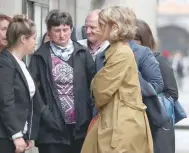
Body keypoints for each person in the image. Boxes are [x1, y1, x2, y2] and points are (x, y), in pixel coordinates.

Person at [81, 6, 153, 153]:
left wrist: (95, 82)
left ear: (114, 27)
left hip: (121, 124)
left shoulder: (121, 52)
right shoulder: (117, 49)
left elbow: (100, 90)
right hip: (118, 119)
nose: (98, 29)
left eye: (102, 25)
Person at [29, 11, 95, 153]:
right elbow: (31, 88)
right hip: (50, 128)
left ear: (71, 29)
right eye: (57, 30)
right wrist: (45, 113)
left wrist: (88, 111)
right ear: (49, 32)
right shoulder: (40, 56)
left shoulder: (83, 54)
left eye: (65, 30)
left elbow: (94, 84)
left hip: (80, 127)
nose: (62, 34)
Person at [0, 15, 43, 153]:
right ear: (23, 39)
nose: (35, 42)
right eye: (34, 38)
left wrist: (26, 133)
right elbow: (5, 100)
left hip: (13, 136)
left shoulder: (19, 63)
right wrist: (16, 134)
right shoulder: (3, 63)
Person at [135, 19, 178, 153]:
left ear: (145, 40)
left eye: (136, 39)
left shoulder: (158, 60)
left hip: (156, 127)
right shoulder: (123, 60)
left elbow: (172, 94)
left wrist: (149, 98)